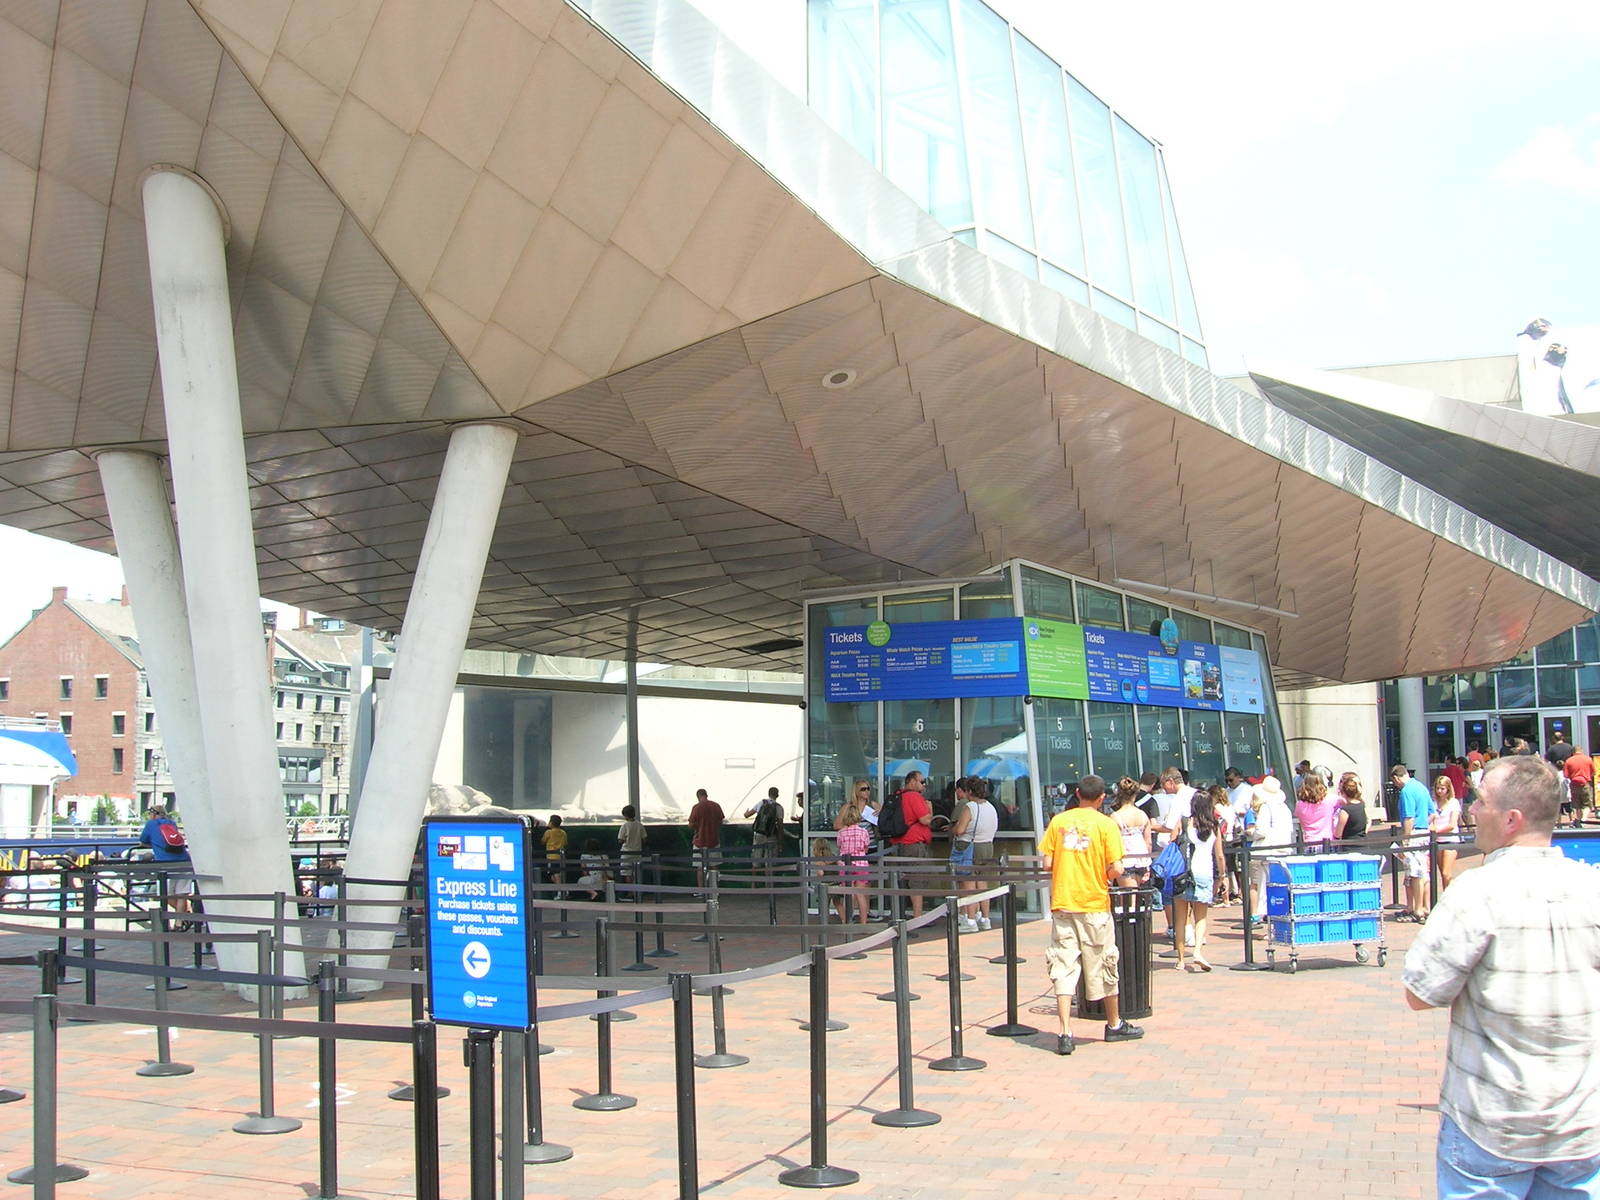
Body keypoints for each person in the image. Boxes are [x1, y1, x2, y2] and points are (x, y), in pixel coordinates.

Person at [1402, 756, 1600, 1198]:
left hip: (1493, 1121)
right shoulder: (1592, 886)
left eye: (1480, 800)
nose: (1471, 809)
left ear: (1511, 819)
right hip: (1581, 1121)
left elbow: (1419, 991)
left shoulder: (1476, 890)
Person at [1037, 774, 1144, 1054]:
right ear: (1101, 798)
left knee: (1063, 964)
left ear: (1076, 793)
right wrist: (1103, 875)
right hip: (1094, 902)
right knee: (1104, 963)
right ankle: (1114, 1023)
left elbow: (1047, 862)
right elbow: (1118, 869)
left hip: (1063, 901)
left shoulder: (1058, 822)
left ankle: (1064, 1031)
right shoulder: (1106, 825)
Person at [1174, 790, 1225, 973]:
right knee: (1201, 916)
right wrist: (1222, 875)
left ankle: (1180, 959)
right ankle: (1197, 951)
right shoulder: (1214, 826)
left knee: (1180, 917)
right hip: (1204, 872)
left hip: (1183, 873)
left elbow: (1173, 843)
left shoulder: (1185, 822)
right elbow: (1219, 855)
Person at [951, 777, 999, 929]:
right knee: (982, 883)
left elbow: (960, 830)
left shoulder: (970, 807)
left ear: (970, 791)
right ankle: (985, 919)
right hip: (987, 846)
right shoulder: (991, 807)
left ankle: (970, 921)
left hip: (970, 847)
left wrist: (954, 828)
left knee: (969, 884)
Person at [1247, 776, 1293, 929]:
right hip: (1283, 849)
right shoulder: (1285, 808)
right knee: (1279, 887)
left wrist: (1251, 833)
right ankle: (1277, 924)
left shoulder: (1266, 808)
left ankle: (1270, 925)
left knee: (1264, 890)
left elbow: (1261, 830)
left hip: (1267, 851)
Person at [886, 770, 933, 917]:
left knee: (898, 881)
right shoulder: (914, 796)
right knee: (916, 880)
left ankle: (898, 915)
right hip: (913, 844)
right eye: (922, 781)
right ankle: (918, 917)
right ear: (912, 781)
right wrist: (930, 808)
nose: (924, 785)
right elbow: (925, 820)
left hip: (897, 844)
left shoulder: (897, 796)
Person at [1391, 764, 1432, 923]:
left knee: (1416, 873)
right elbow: (1431, 812)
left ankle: (1418, 909)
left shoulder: (1407, 791)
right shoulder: (1421, 787)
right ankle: (1421, 907)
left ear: (1396, 778)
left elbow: (1409, 818)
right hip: (1424, 831)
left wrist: (1405, 841)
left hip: (1414, 833)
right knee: (1420, 872)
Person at [138, 804, 193, 916]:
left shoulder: (151, 824)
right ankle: (180, 921)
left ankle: (187, 914)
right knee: (181, 895)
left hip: (166, 863)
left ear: (153, 814)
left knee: (165, 895)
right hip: (184, 861)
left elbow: (142, 841)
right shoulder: (172, 823)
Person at [833, 794, 871, 924]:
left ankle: (847, 920)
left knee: (848, 894)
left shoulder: (841, 832)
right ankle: (863, 922)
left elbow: (839, 846)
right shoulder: (864, 832)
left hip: (845, 865)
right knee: (860, 894)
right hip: (861, 863)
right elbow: (866, 847)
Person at [1110, 777, 1152, 888]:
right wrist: (1148, 865)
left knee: (1128, 900)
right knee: (1138, 897)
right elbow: (1148, 842)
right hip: (1142, 860)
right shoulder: (1143, 815)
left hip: (1125, 861)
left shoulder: (1115, 816)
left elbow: (1112, 844)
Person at [1429, 774, 1462, 888]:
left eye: (1442, 788)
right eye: (1437, 788)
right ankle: (1445, 895)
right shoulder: (1433, 803)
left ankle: (1449, 896)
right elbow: (1431, 819)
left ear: (1448, 788)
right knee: (1442, 872)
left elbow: (1452, 825)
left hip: (1450, 839)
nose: (1439, 791)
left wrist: (1437, 830)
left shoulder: (1454, 802)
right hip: (1438, 841)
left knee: (1446, 873)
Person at [687, 788, 724, 887]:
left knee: (700, 868)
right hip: (714, 840)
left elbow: (690, 824)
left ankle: (701, 890)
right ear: (706, 795)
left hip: (699, 841)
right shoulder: (716, 806)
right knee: (714, 866)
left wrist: (697, 826)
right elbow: (721, 821)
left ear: (698, 797)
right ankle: (715, 890)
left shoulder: (696, 807)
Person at [1294, 773, 1340, 849]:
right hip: (1328, 843)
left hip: (1309, 844)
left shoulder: (1299, 805)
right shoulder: (1331, 799)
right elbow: (1346, 803)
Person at [745, 786, 784, 871]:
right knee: (769, 862)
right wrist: (780, 842)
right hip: (771, 836)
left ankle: (754, 883)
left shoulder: (761, 803)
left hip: (759, 834)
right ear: (777, 795)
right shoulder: (779, 807)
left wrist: (746, 812)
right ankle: (768, 883)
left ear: (768, 794)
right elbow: (780, 826)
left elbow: (747, 815)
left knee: (756, 859)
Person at [1563, 743, 1593, 827]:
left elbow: (1566, 775)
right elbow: (1593, 772)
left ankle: (1579, 821)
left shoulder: (1569, 761)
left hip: (1574, 784)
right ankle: (1583, 819)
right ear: (1581, 751)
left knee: (1577, 805)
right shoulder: (1588, 759)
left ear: (1573, 752)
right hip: (1585, 783)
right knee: (1587, 804)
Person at [1333, 772, 1368, 841]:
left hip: (1349, 846)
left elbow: (1338, 834)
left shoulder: (1345, 810)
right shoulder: (1362, 805)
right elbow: (1367, 821)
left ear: (1344, 792)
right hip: (1363, 844)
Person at [617, 804, 645, 882]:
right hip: (637, 852)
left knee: (627, 872)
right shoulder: (640, 825)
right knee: (636, 872)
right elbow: (644, 838)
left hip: (626, 853)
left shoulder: (624, 826)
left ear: (625, 815)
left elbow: (620, 840)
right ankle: (637, 891)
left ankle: (630, 892)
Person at [541, 814, 568, 885]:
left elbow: (543, 841)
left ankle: (561, 891)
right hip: (561, 857)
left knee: (556, 874)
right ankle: (564, 891)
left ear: (551, 823)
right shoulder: (563, 833)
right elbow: (565, 843)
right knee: (554, 876)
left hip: (551, 857)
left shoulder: (548, 832)